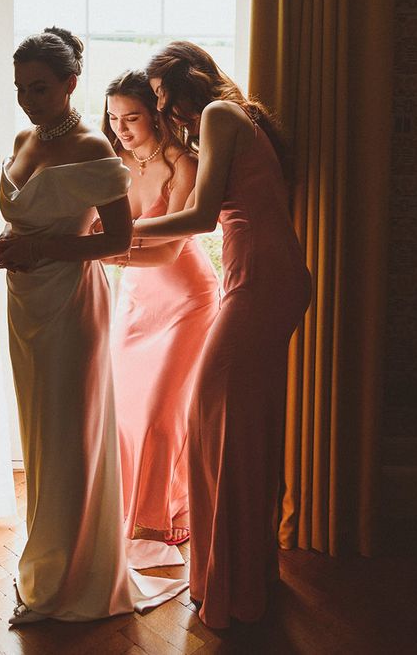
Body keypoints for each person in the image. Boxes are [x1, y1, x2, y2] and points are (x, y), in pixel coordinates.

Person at [0, 27, 186, 625]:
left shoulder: (94, 150)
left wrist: (40, 246)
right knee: (41, 438)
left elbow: (118, 239)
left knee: (68, 438)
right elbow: (30, 220)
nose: (28, 100)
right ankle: (45, 568)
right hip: (27, 305)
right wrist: (13, 245)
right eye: (20, 88)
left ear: (72, 84)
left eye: (40, 88)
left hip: (71, 306)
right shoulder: (24, 137)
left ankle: (69, 583)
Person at [133, 41, 312, 629]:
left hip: (261, 278)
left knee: (217, 423)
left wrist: (118, 234)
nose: (162, 112)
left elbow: (203, 216)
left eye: (160, 96)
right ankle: (244, 576)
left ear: (184, 81)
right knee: (237, 427)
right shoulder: (238, 117)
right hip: (265, 275)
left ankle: (233, 592)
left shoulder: (219, 114)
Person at [100, 70, 219, 547]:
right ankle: (131, 510)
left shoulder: (185, 164)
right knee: (126, 411)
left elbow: (170, 250)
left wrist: (107, 252)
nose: (122, 128)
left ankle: (158, 517)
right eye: (113, 118)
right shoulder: (115, 161)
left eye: (132, 117)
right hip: (136, 300)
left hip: (186, 301)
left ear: (155, 115)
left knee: (159, 414)